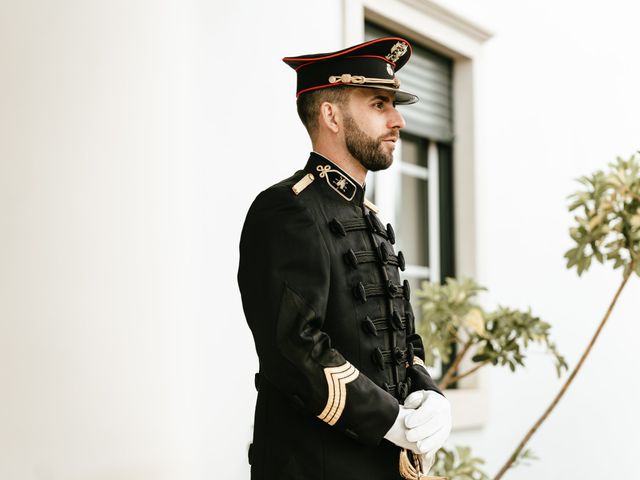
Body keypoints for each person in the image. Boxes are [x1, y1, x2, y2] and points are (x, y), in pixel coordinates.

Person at [238, 37, 452, 480]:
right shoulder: (287, 209)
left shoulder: (369, 218)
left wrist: (429, 395)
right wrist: (391, 422)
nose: (398, 120)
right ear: (331, 115)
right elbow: (293, 349)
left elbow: (399, 342)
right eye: (379, 104)